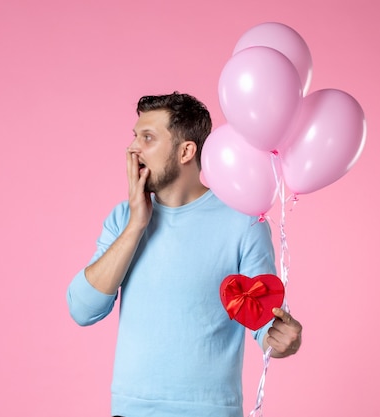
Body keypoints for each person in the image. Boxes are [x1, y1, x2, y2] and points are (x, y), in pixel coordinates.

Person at [66, 92, 302, 417]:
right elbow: (82, 309)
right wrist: (137, 224)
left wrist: (282, 340)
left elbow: (263, 323)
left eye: (147, 138)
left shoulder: (244, 221)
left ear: (186, 151)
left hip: (209, 411)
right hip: (131, 410)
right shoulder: (123, 219)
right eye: (134, 136)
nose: (133, 148)